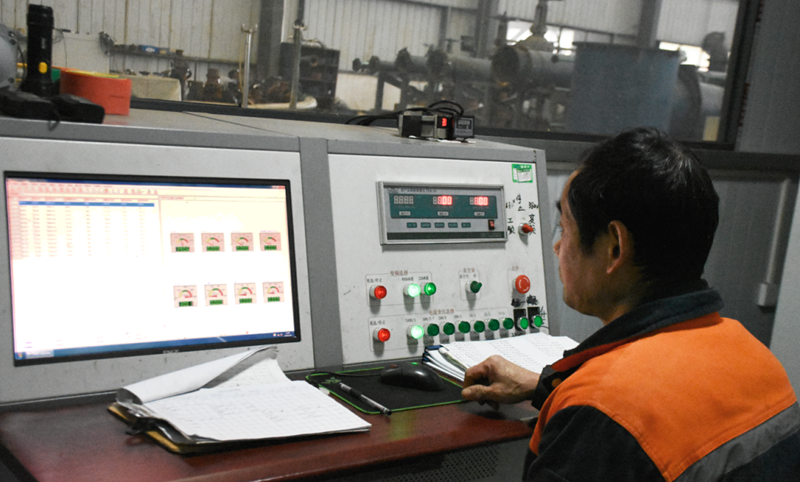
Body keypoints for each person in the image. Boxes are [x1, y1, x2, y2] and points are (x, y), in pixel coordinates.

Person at [462, 127, 800, 481]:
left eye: (564, 229)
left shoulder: (601, 413)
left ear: (614, 247)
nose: (557, 248)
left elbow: (620, 413)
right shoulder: (756, 357)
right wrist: (545, 385)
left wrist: (584, 398)